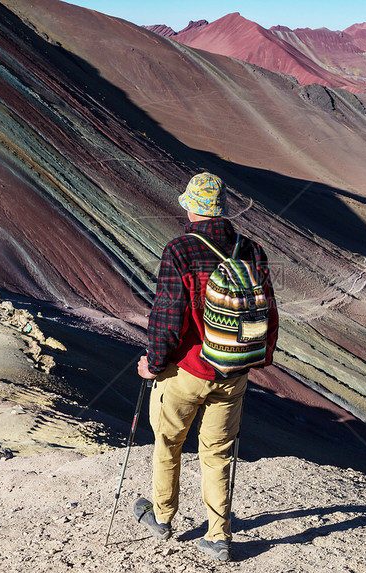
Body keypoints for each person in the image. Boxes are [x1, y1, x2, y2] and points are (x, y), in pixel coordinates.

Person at [134, 172, 279, 562]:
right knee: (218, 454)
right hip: (233, 373)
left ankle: (162, 518)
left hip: (185, 372)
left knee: (168, 444)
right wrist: (255, 360)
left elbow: (168, 318)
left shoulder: (180, 250)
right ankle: (218, 537)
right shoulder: (251, 250)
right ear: (223, 209)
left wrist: (153, 363)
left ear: (191, 207)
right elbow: (268, 313)